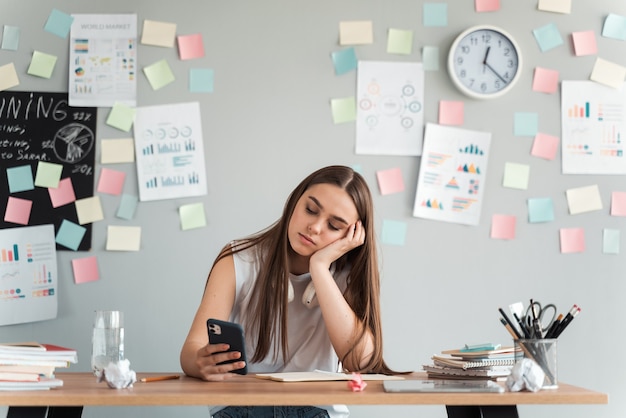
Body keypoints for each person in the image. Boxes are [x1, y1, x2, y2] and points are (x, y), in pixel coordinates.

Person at [180, 165, 396, 418]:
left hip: (316, 408)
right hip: (243, 406)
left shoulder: (348, 275)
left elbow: (360, 363)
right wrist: (200, 363)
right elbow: (190, 351)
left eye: (334, 226)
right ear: (294, 201)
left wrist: (320, 269)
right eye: (310, 210)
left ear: (352, 235)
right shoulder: (237, 259)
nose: (315, 227)